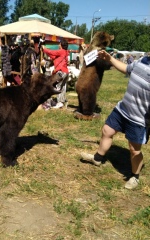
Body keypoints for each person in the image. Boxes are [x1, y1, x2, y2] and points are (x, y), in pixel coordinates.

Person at [81, 50, 150, 190]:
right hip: (123, 109)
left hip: (139, 119)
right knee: (107, 130)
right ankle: (98, 158)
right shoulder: (143, 61)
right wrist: (110, 59)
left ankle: (134, 177)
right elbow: (126, 68)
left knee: (134, 149)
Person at [41, 39, 69, 108]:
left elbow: (52, 52)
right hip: (66, 72)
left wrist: (44, 49)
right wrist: (46, 52)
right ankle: (61, 102)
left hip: (61, 71)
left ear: (62, 45)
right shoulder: (65, 52)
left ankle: (58, 102)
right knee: (62, 87)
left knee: (57, 86)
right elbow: (53, 56)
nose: (58, 45)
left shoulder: (61, 51)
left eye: (59, 44)